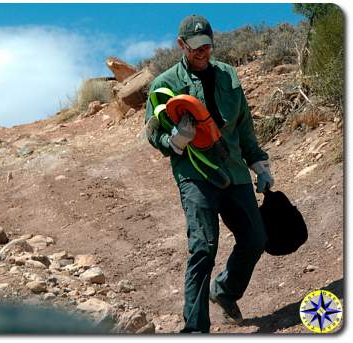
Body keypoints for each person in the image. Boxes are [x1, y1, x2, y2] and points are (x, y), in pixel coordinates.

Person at [144, 15, 274, 333]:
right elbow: (152, 130)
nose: (203, 53)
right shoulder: (164, 84)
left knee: (256, 238)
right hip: (195, 174)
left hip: (234, 172)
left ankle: (225, 292)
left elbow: (243, 125)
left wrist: (259, 163)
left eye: (208, 46)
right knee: (203, 247)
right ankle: (195, 329)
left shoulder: (228, 75)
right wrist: (173, 142)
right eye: (196, 47)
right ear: (182, 45)